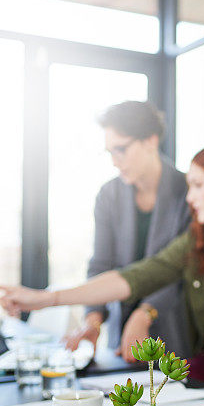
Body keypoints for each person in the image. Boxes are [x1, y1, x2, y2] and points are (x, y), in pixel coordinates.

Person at [0, 142, 204, 404]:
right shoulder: (199, 240)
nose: (189, 198)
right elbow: (136, 276)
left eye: (198, 185)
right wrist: (47, 298)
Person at [63, 101, 191, 362]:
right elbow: (101, 263)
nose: (114, 162)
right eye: (109, 152)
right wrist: (94, 320)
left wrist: (146, 312)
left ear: (150, 141)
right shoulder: (109, 194)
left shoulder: (188, 192)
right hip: (122, 341)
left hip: (176, 334)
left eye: (120, 150)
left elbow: (181, 272)